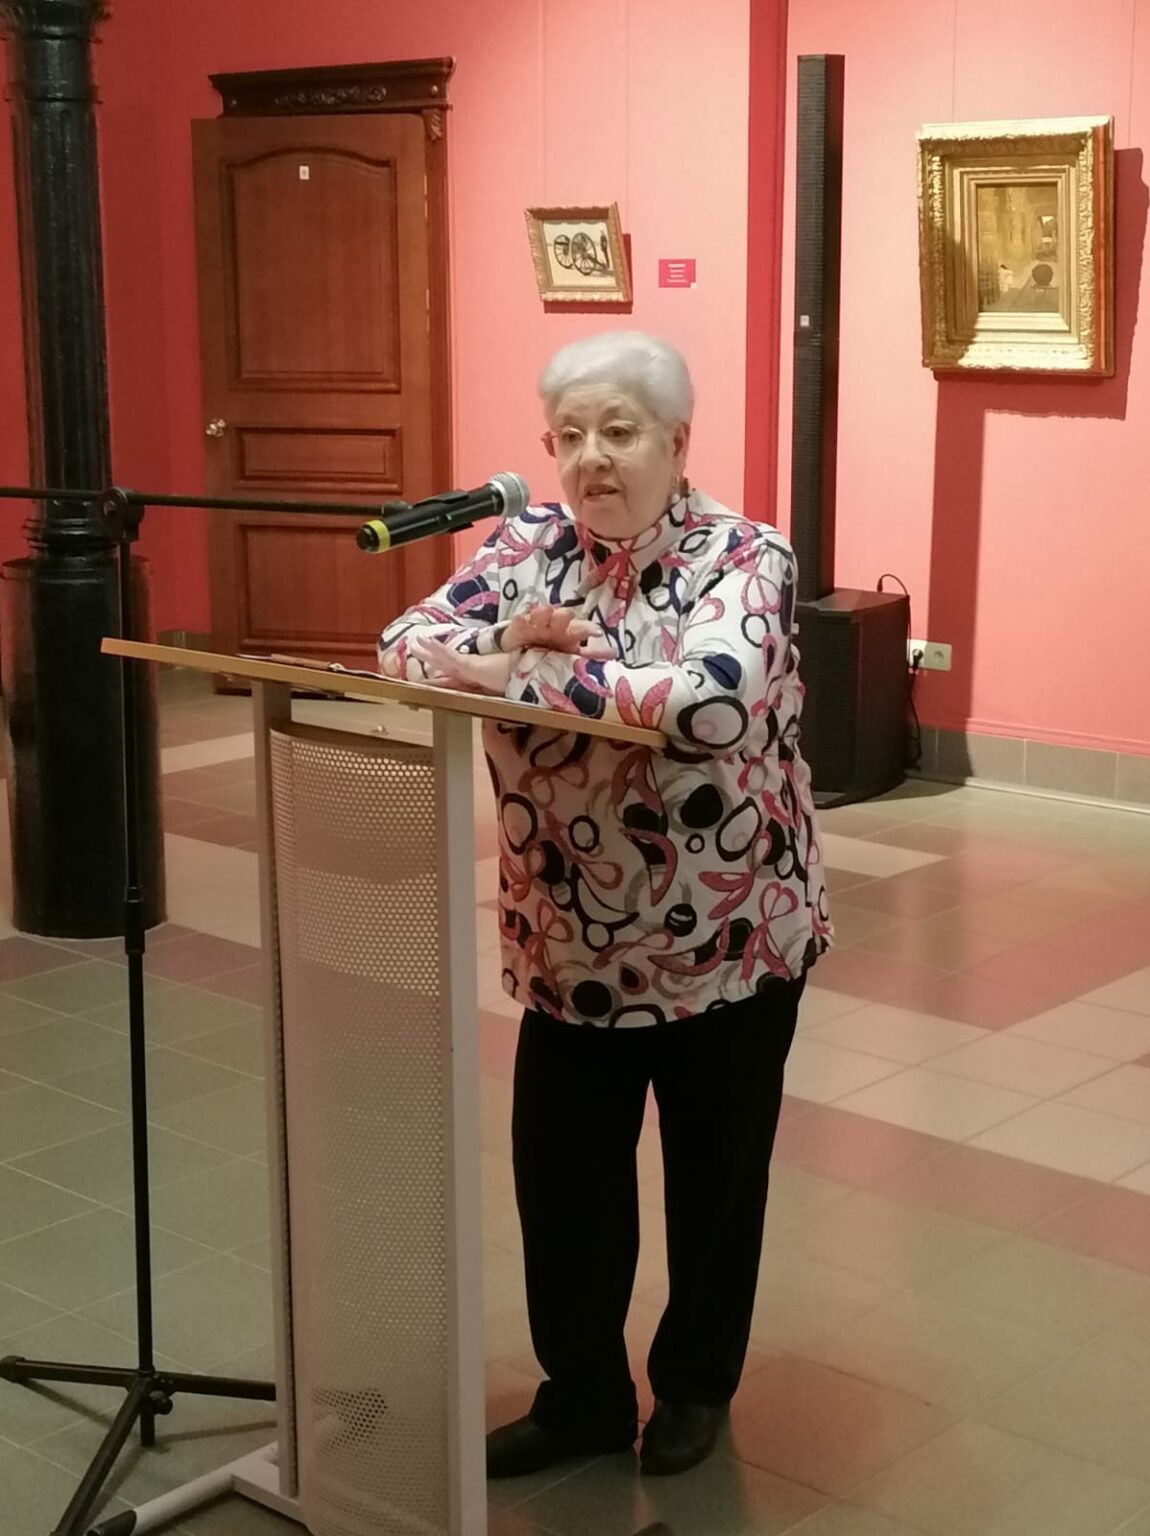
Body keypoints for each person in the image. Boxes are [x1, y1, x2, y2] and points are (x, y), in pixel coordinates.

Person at [378, 331, 832, 1479]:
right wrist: (501, 638)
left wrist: (521, 674)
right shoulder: (525, 545)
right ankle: (582, 1396)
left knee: (714, 1185)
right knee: (565, 1186)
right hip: (569, 941)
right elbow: (403, 648)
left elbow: (710, 703)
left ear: (678, 441)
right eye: (570, 435)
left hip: (728, 935)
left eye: (619, 431)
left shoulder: (746, 556)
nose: (591, 458)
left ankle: (694, 1387)